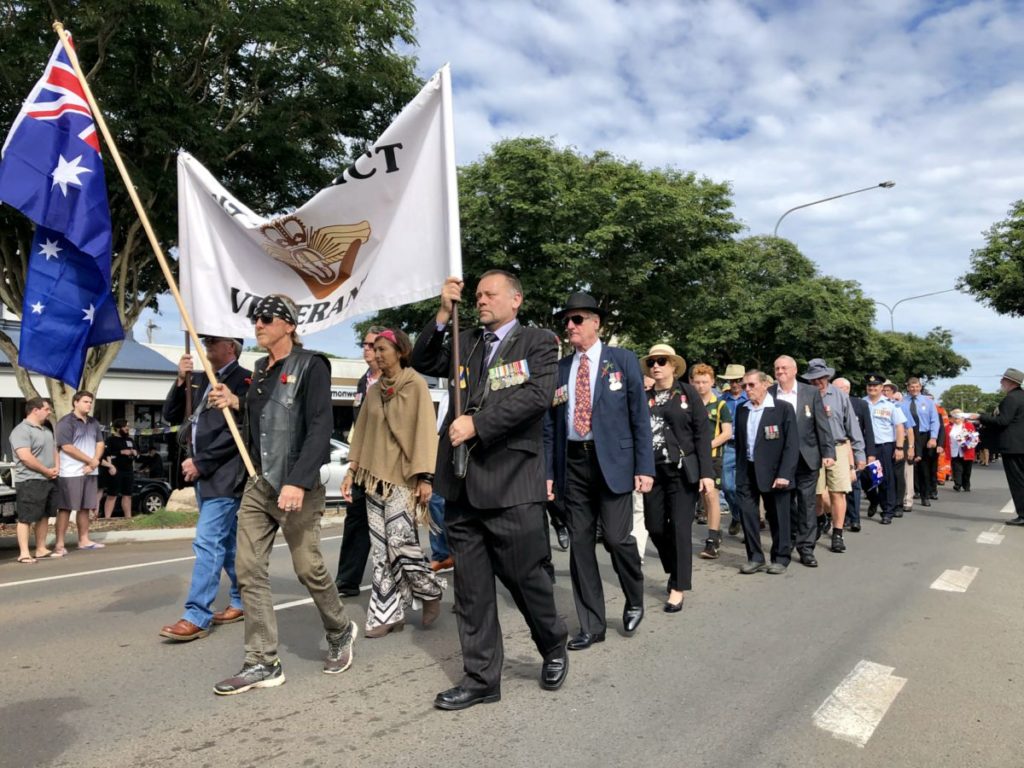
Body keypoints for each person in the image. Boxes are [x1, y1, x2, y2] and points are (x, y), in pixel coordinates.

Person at [412, 271, 568, 710]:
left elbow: (537, 397)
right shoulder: (468, 342)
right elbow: (423, 359)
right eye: (476, 294)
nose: (480, 300)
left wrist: (478, 424)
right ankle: (482, 678)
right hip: (462, 485)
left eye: (489, 294)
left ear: (515, 300)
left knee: (526, 579)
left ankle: (553, 643)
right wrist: (443, 312)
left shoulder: (537, 341)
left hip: (512, 481)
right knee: (472, 590)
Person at [208, 295, 356, 695]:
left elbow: (319, 427)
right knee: (248, 567)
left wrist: (297, 479)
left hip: (297, 485)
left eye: (267, 318)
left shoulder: (313, 365)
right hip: (259, 485)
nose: (258, 324)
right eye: (255, 318)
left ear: (288, 325)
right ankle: (261, 661)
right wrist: (235, 402)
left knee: (308, 568)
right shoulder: (259, 369)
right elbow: (264, 421)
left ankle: (340, 629)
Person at [547, 291, 654, 650]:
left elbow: (640, 417)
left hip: (615, 462)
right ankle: (592, 624)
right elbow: (551, 427)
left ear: (596, 323)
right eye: (567, 321)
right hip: (574, 462)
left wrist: (644, 466)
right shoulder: (562, 369)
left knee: (615, 537)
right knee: (579, 544)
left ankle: (634, 596)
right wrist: (549, 473)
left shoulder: (621, 361)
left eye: (577, 319)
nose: (570, 326)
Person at [342, 328, 445, 637]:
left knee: (400, 543)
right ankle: (388, 614)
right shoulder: (373, 390)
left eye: (383, 348)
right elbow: (361, 433)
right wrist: (351, 472)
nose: (377, 353)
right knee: (380, 548)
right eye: (375, 348)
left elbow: (426, 431)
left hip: (403, 478)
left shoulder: (414, 385)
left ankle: (429, 591)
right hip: (373, 478)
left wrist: (425, 477)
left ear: (400, 352)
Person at [159, 335, 251, 642]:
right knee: (227, 544)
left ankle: (197, 614)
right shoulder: (199, 380)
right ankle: (242, 598)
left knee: (208, 541)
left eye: (214, 342)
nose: (207, 346)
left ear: (231, 347)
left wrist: (203, 461)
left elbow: (240, 431)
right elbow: (171, 415)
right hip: (202, 476)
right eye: (206, 341)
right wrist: (181, 380)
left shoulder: (244, 379)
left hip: (225, 475)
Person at [641, 345, 713, 611]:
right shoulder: (643, 396)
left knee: (681, 528)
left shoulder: (687, 393)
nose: (656, 366)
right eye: (652, 363)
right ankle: (675, 569)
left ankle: (678, 586)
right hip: (653, 472)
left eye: (661, 361)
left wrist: (707, 473)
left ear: (673, 365)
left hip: (682, 471)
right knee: (655, 526)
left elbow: (702, 433)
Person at [769, 355, 835, 568]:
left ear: (795, 370)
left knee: (806, 504)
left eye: (784, 368)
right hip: (779, 460)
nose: (780, 372)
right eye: (777, 368)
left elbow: (822, 424)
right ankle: (786, 543)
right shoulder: (769, 393)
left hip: (807, 457)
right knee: (785, 505)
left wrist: (828, 452)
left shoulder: (810, 392)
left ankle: (806, 548)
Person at [734, 370, 799, 574]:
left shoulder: (782, 409)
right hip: (748, 470)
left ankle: (780, 557)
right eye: (745, 385)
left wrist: (785, 474)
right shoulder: (742, 410)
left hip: (774, 472)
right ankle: (755, 556)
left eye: (751, 385)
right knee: (748, 515)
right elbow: (740, 443)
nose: (747, 389)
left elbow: (791, 444)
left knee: (778, 516)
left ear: (765, 385)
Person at [335, 326, 383, 597]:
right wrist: (351, 469)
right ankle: (348, 580)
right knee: (356, 520)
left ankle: (408, 580)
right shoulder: (362, 382)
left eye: (371, 344)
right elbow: (357, 429)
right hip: (362, 466)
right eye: (363, 344)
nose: (366, 349)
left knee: (392, 528)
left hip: (387, 467)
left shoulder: (396, 380)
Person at [802, 359, 865, 556]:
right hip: (814, 449)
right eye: (813, 379)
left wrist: (859, 453)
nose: (817, 383)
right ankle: (821, 520)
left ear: (827, 377)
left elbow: (852, 427)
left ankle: (838, 533)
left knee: (838, 493)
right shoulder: (804, 396)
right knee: (817, 494)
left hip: (838, 448)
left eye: (820, 378)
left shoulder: (839, 396)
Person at [689, 363, 733, 559]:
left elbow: (727, 433)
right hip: (692, 457)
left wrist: (708, 446)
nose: (701, 386)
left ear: (712, 382)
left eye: (705, 382)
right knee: (703, 497)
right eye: (697, 382)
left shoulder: (720, 405)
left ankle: (712, 540)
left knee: (711, 495)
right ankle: (714, 528)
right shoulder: (688, 404)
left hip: (713, 456)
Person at [54, 390, 105, 553]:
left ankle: (84, 540)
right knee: (65, 508)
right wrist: (90, 461)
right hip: (70, 472)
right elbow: (67, 447)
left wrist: (95, 461)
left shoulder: (93, 423)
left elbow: (100, 443)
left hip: (90, 471)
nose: (88, 404)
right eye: (85, 401)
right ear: (75, 402)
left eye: (90, 402)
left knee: (85, 507)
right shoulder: (65, 422)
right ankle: (59, 544)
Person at [10, 398, 59, 563]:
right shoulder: (21, 430)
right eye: (46, 409)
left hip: (49, 479)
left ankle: (41, 548)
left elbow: (54, 451)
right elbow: (25, 457)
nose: (49, 411)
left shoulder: (47, 431)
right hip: (30, 480)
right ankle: (24, 553)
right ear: (35, 410)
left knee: (44, 515)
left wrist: (56, 468)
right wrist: (46, 471)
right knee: (26, 517)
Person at [974, 368, 1024, 524]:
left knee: (1017, 481)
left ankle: (1022, 514)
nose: (1001, 382)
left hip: (1013, 446)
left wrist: (980, 417)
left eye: (1003, 380)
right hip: (1020, 444)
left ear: (1010, 382)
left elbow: (1003, 420)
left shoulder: (1011, 399)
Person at [863, 374, 908, 525]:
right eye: (870, 386)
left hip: (884, 446)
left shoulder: (890, 405)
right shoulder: (861, 404)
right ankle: (873, 500)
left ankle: (887, 511)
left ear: (882, 388)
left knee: (885, 480)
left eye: (875, 386)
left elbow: (899, 427)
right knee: (865, 478)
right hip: (864, 447)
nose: (872, 388)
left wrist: (900, 447)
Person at [833, 377, 876, 532]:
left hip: (854, 449)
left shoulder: (860, 404)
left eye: (839, 388)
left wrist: (869, 453)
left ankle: (855, 519)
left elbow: (868, 431)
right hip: (836, 449)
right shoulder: (828, 402)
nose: (836, 392)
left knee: (854, 484)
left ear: (847, 389)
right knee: (838, 488)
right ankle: (841, 518)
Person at [718, 364, 747, 536]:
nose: (735, 384)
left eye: (737, 380)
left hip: (746, 448)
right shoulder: (722, 400)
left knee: (744, 488)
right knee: (728, 487)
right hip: (728, 447)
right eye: (731, 381)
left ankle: (747, 522)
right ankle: (737, 515)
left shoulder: (749, 398)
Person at [905, 377, 941, 507]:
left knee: (924, 468)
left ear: (920, 387)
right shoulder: (902, 401)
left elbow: (934, 421)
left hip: (924, 435)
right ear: (908, 387)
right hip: (908, 436)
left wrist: (933, 437)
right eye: (911, 387)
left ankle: (925, 495)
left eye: (917, 387)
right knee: (908, 467)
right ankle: (908, 495)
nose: (914, 389)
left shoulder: (928, 402)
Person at [883, 380, 914, 513]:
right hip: (882, 444)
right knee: (883, 475)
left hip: (898, 444)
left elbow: (910, 429)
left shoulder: (900, 407)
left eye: (887, 390)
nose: (884, 393)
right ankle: (885, 503)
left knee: (898, 475)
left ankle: (898, 504)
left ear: (893, 392)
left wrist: (910, 447)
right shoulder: (870, 405)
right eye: (882, 390)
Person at [102, 419, 138, 519]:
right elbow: (106, 454)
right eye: (125, 426)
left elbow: (136, 453)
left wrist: (135, 453)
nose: (127, 428)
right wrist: (120, 452)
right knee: (112, 495)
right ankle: (107, 518)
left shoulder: (130, 440)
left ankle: (128, 517)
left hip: (128, 470)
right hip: (116, 470)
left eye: (128, 426)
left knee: (128, 495)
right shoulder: (111, 440)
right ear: (118, 428)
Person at [945, 409, 978, 492]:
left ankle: (966, 485)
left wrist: (967, 441)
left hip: (967, 451)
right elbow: (945, 439)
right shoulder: (948, 427)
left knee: (967, 470)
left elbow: (974, 437)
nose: (956, 419)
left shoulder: (968, 425)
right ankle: (958, 484)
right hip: (954, 451)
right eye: (954, 417)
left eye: (958, 417)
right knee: (956, 469)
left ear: (962, 417)